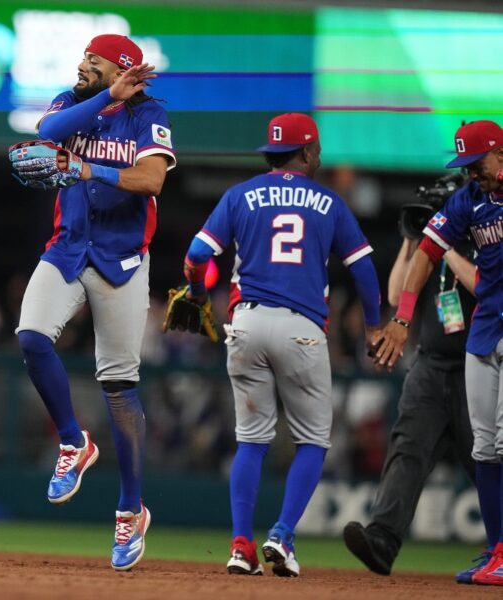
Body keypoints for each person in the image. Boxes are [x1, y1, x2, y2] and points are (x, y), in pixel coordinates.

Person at [180, 113, 382, 577]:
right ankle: (283, 535)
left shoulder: (240, 194)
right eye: (317, 150)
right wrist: (373, 327)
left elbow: (197, 256)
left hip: (247, 324)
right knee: (312, 441)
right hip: (301, 328)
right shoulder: (329, 202)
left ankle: (240, 546)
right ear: (307, 152)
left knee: (251, 442)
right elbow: (364, 269)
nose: (319, 156)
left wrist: (195, 293)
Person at [14, 33, 175, 571]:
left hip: (122, 258)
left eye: (94, 59)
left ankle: (130, 510)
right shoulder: (73, 102)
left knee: (120, 387)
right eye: (84, 56)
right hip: (68, 247)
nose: (82, 64)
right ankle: (72, 442)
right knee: (31, 337)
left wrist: (91, 169)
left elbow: (152, 179)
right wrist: (106, 96)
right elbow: (46, 133)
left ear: (122, 68)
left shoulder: (149, 114)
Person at [372, 120, 503, 586]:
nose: (472, 174)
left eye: (477, 164)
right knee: (484, 448)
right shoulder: (469, 200)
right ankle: (496, 551)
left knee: (499, 445)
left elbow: (479, 281)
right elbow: (424, 256)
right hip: (479, 337)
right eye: (465, 167)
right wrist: (403, 318)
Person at [343, 230, 477, 576]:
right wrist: (412, 240)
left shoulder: (489, 232)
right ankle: (382, 540)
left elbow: (483, 285)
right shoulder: (433, 244)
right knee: (407, 448)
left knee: (488, 462)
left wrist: (444, 247)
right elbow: (394, 294)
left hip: (480, 367)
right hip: (431, 364)